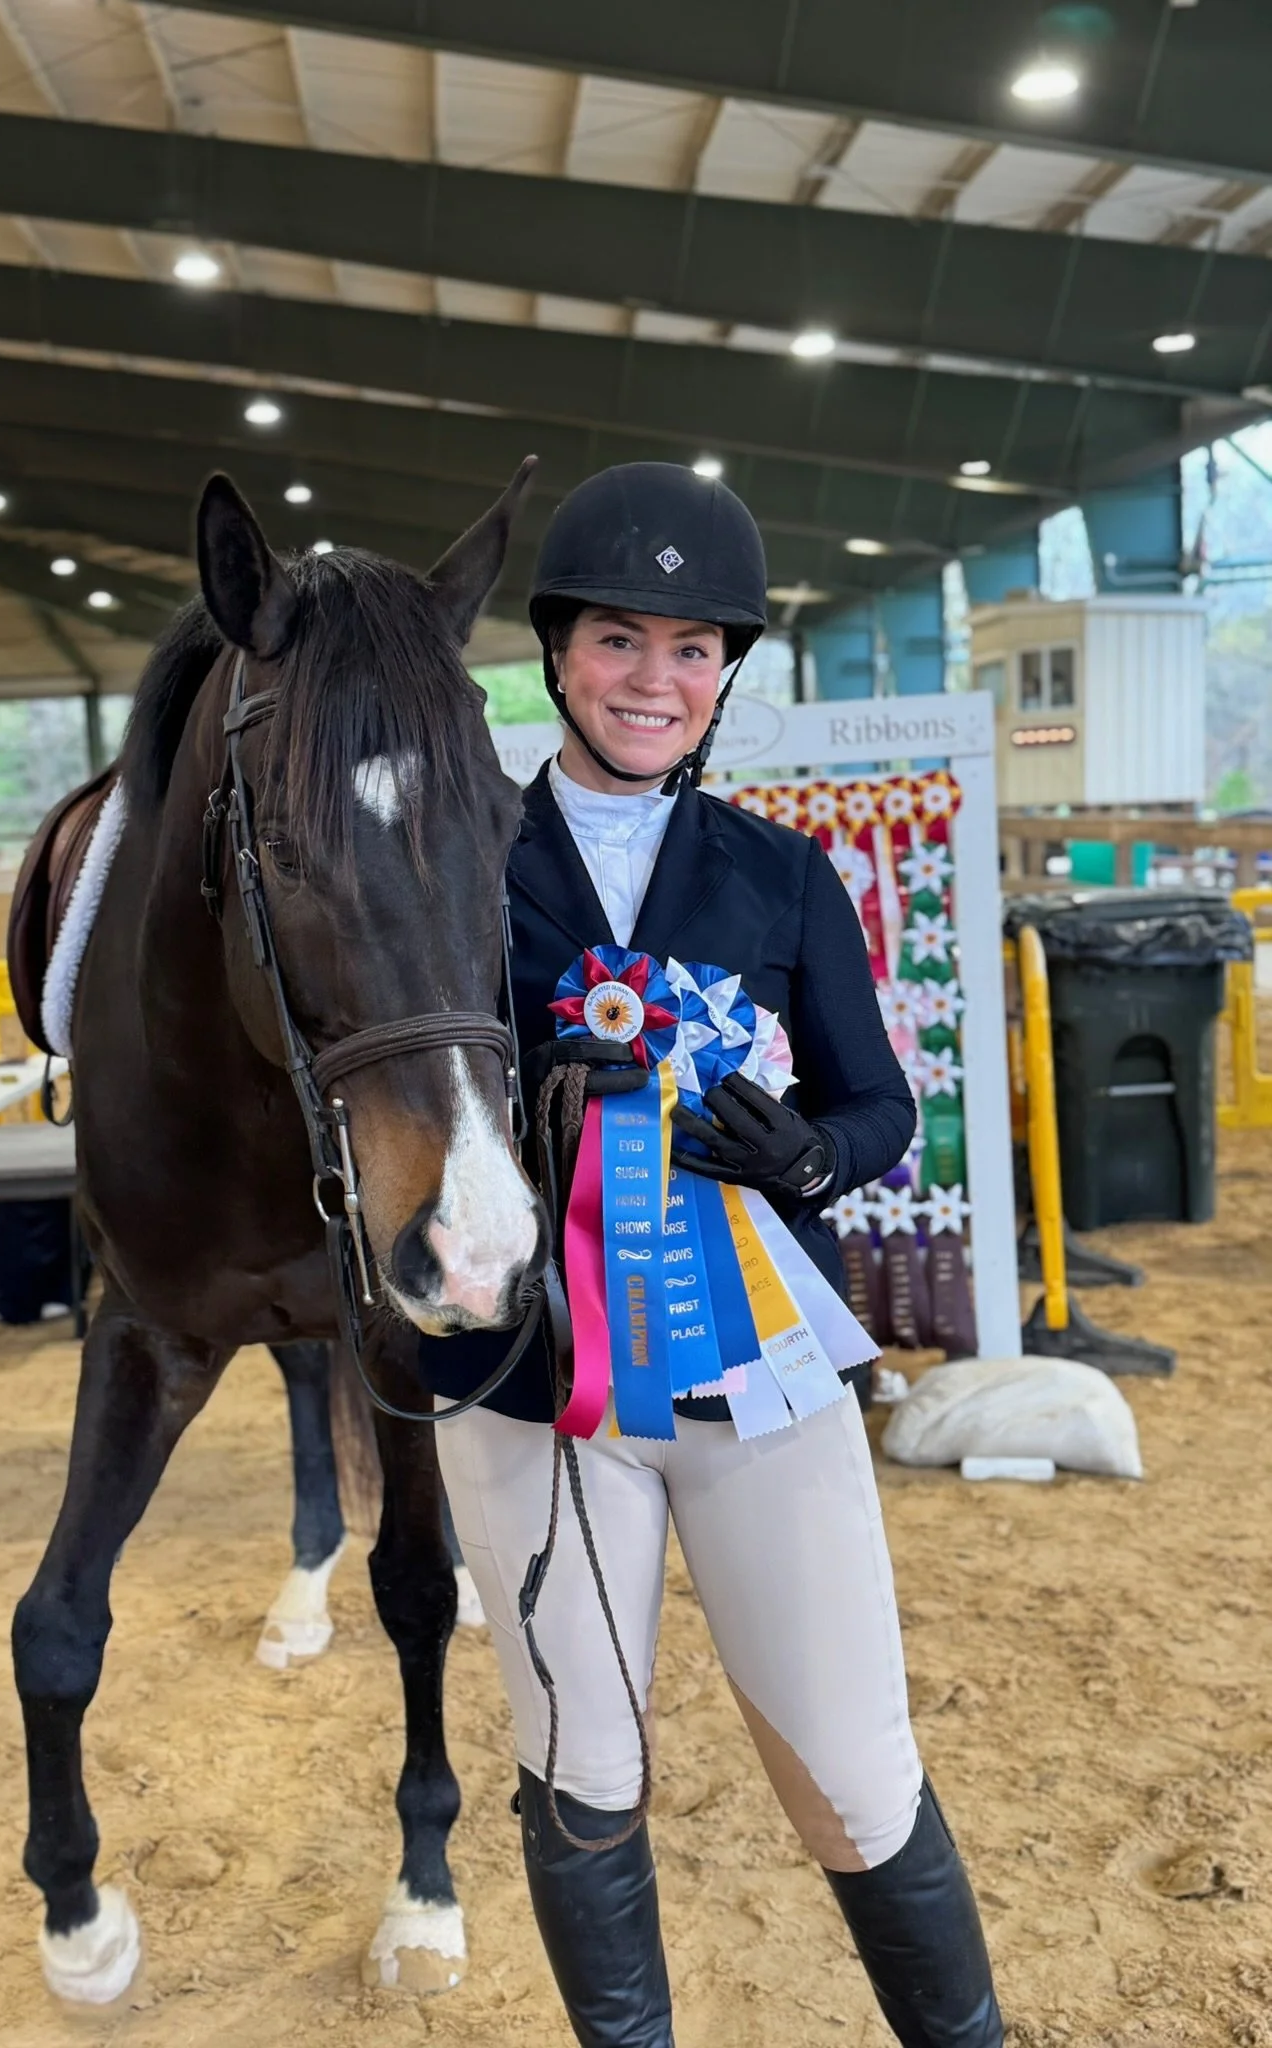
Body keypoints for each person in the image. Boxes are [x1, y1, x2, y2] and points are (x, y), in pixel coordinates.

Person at [417, 464, 1003, 2046]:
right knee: (583, 1765)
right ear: (555, 655)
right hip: (540, 1380)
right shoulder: (461, 866)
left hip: (754, 1366)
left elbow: (879, 1104)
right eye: (621, 641)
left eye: (691, 649)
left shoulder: (783, 873)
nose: (655, 679)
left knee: (854, 1755)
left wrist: (811, 1154)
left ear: (729, 669)